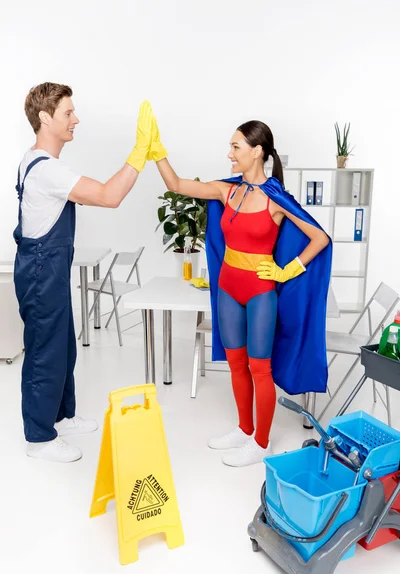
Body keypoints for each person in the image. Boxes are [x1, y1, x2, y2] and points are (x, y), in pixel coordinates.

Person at [146, 108, 331, 467]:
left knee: (260, 368)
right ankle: (245, 429)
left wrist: (287, 270)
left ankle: (260, 443)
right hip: (228, 288)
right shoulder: (225, 191)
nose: (230, 154)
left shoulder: (276, 199)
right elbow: (177, 185)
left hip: (261, 293)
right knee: (235, 364)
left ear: (257, 150)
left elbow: (318, 237)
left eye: (235, 147)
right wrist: (157, 151)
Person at [14, 83, 159, 463]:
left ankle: (61, 415)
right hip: (41, 271)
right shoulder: (47, 171)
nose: (75, 119)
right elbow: (110, 196)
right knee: (46, 350)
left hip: (47, 268)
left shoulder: (32, 160)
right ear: (45, 118)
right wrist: (138, 155)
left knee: (62, 343)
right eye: (68, 113)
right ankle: (39, 438)